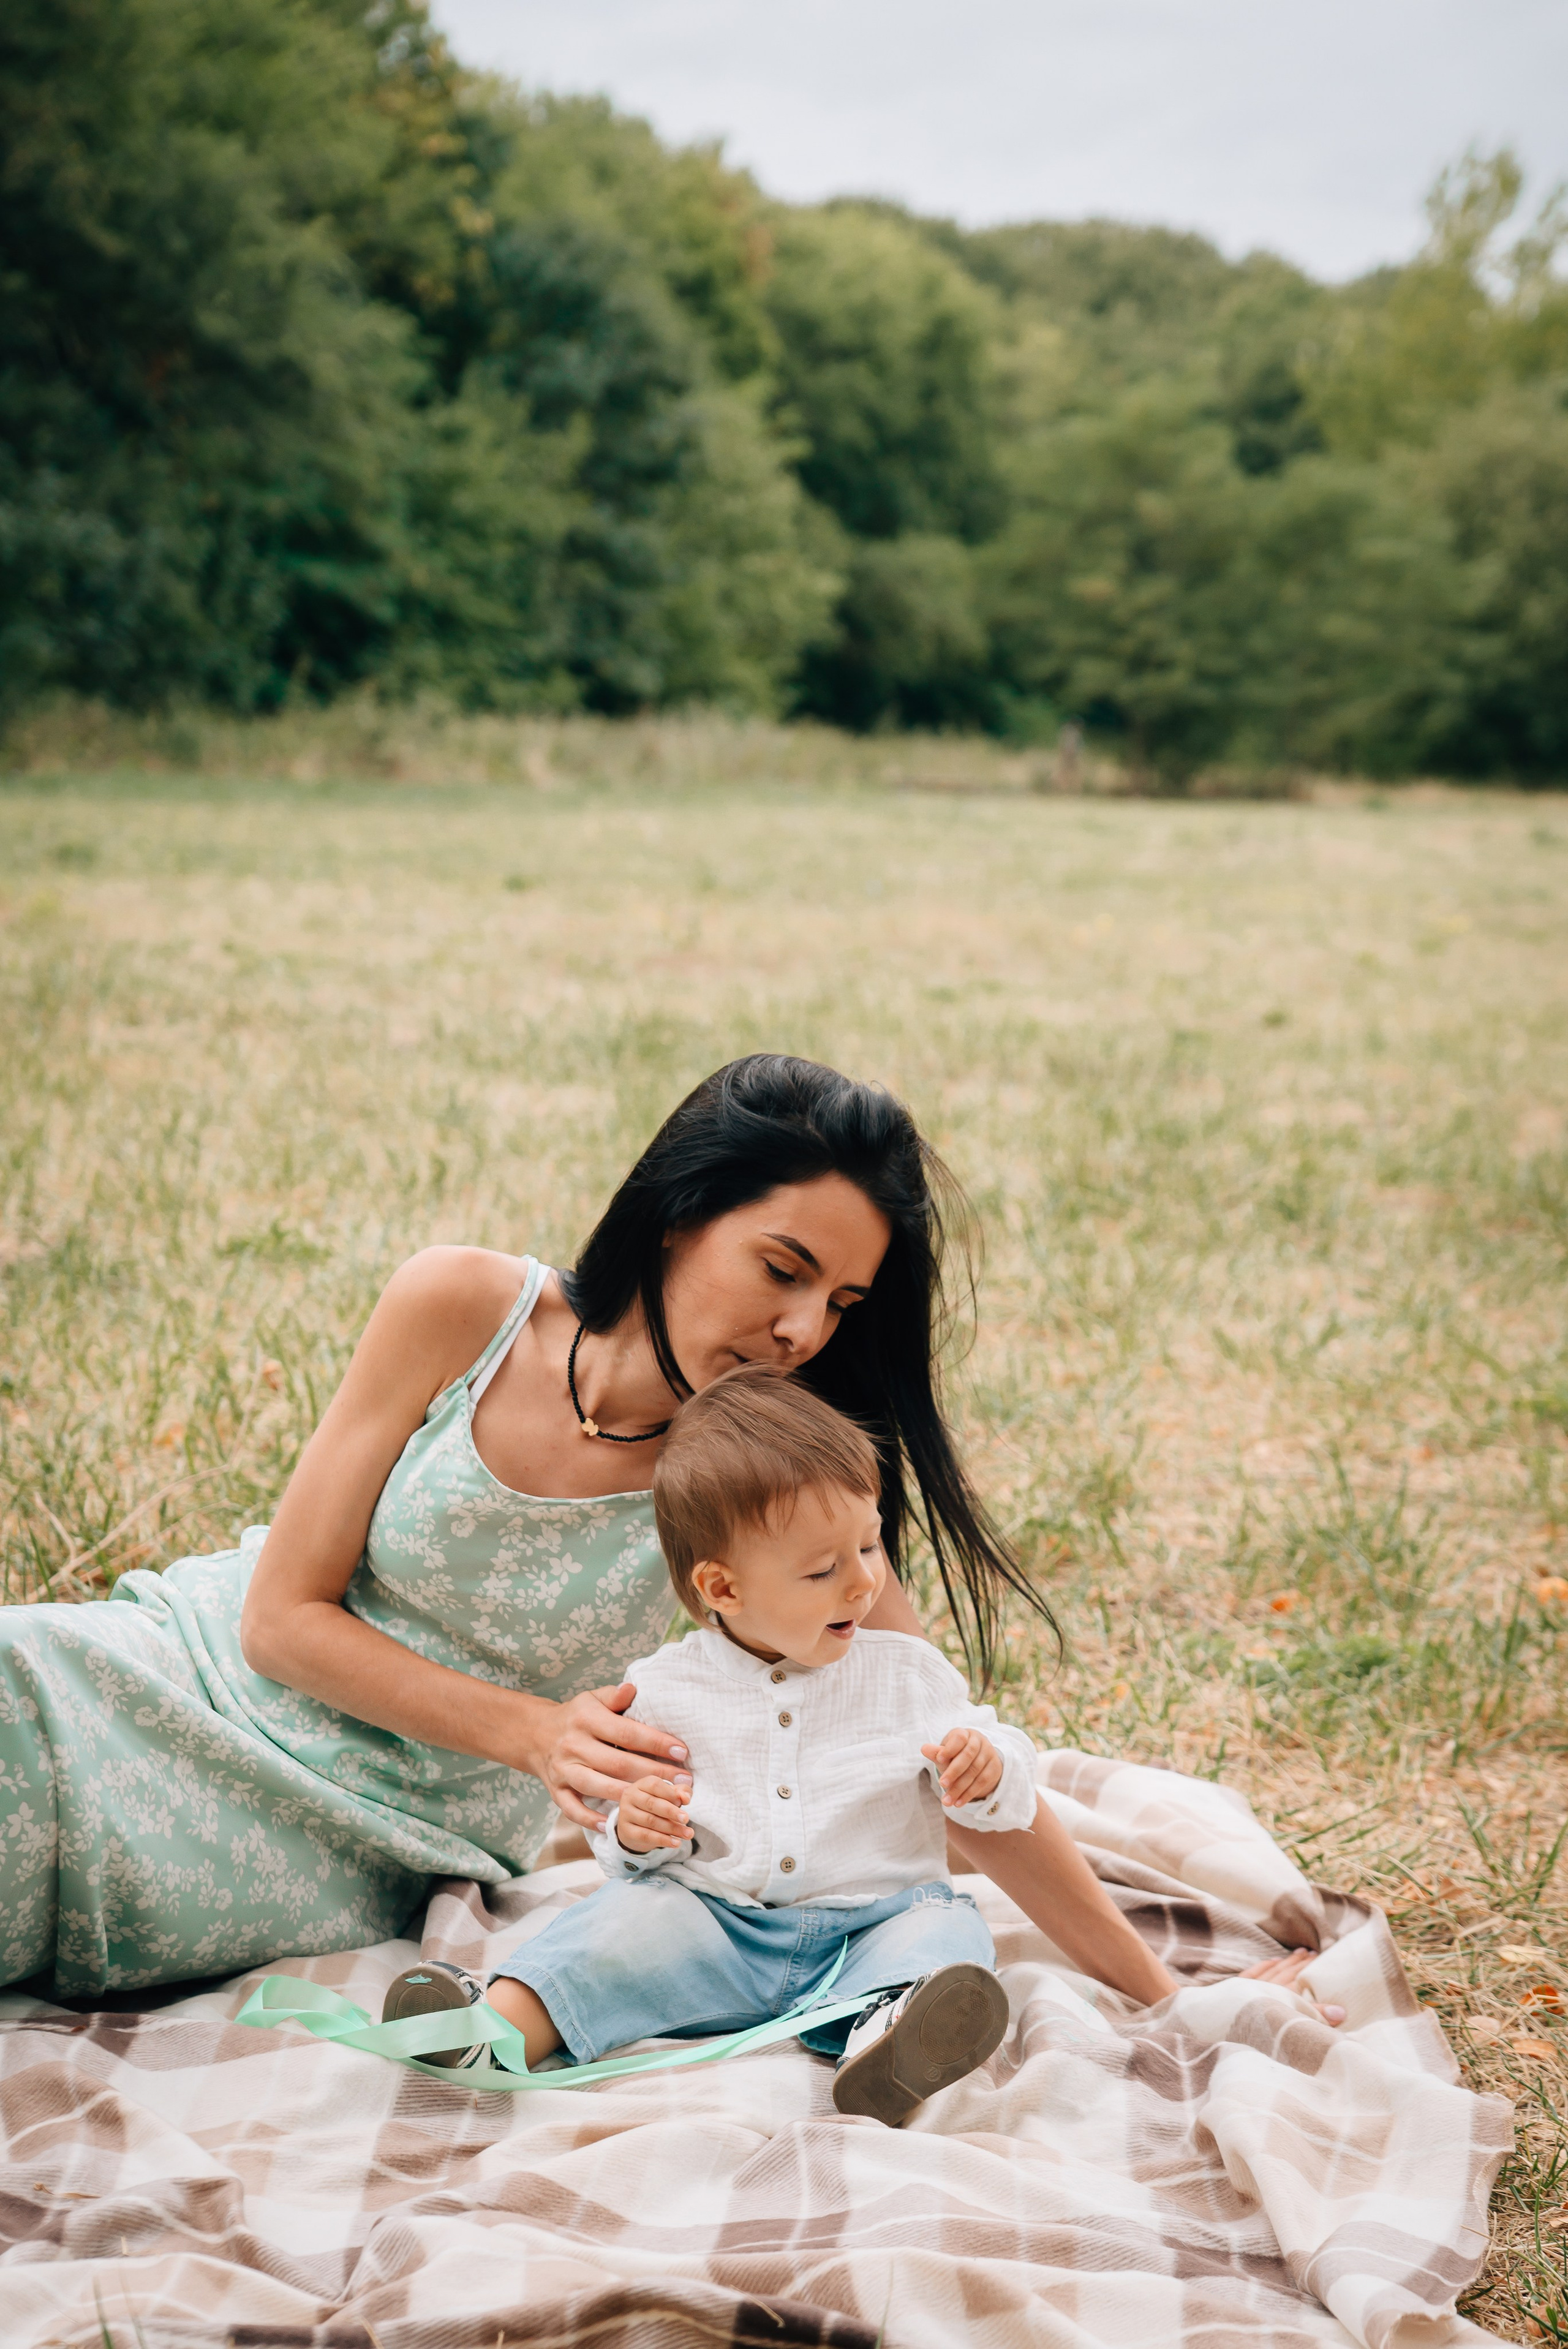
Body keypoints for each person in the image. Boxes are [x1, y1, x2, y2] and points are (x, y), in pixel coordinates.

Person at [0, 1054, 1323, 2010]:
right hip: (168, 1672)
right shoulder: (463, 1305)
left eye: (841, 1302)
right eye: (782, 1269)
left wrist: (1161, 1994)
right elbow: (279, 1619)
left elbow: (918, 1742)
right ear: (683, 1209)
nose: (803, 1332)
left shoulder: (765, 1490)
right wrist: (534, 1731)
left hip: (373, 1834)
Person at [382, 1368, 1036, 2122]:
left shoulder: (906, 1674)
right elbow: (621, 1841)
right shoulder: (664, 1692)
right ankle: (490, 2031)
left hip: (872, 1925)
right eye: (823, 1569)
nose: (862, 1584)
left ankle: (887, 2039)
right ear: (722, 1589)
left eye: (870, 1543)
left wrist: (989, 1773)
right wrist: (635, 1831)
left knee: (945, 1931)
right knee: (619, 1923)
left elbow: (1007, 1790)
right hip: (717, 1924)